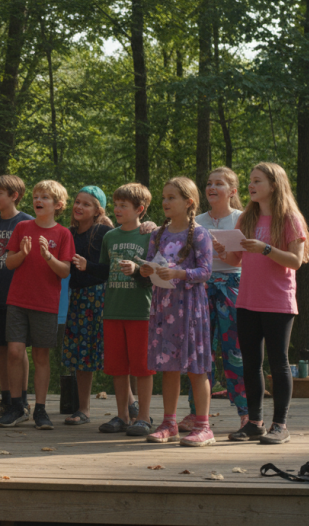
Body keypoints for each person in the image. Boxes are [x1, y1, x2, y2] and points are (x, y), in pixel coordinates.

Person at [221, 162, 309, 445]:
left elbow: (296, 261)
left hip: (278, 301)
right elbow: (235, 260)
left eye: (257, 180)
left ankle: (280, 425)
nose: (251, 185)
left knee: (279, 363)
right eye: (250, 180)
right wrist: (223, 249)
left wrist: (266, 249)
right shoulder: (247, 217)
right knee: (250, 363)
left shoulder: (289, 218)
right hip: (246, 300)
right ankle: (254, 423)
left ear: (273, 185)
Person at [139, 177, 215, 447]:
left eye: (172, 198)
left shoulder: (201, 234)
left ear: (188, 202)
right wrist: (146, 269)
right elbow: (150, 265)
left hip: (190, 308)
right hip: (163, 306)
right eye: (163, 197)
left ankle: (204, 427)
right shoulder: (158, 234)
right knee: (167, 366)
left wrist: (178, 273)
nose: (165, 202)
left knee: (196, 367)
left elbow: (206, 272)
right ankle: (169, 424)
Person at [0, 180, 74, 430]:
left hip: (46, 303)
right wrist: (23, 253)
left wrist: (48, 256)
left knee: (41, 355)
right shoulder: (22, 227)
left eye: (45, 197)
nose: (38, 200)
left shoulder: (63, 234)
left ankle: (41, 410)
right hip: (18, 300)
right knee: (15, 351)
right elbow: (9, 263)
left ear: (58, 205)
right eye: (36, 196)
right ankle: (17, 406)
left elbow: (64, 271)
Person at [80, 183, 155, 437]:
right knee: (117, 368)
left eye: (124, 205)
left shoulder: (149, 236)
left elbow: (155, 274)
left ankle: (143, 417)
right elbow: (103, 271)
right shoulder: (110, 236)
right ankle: (122, 416)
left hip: (140, 312)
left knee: (142, 368)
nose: (118, 209)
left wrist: (136, 271)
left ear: (140, 209)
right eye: (116, 204)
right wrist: (86, 265)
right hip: (112, 311)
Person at [180, 167, 248, 434]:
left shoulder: (242, 218)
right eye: (209, 183)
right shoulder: (196, 221)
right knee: (199, 351)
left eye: (219, 183)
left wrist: (225, 250)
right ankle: (197, 413)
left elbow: (244, 257)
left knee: (236, 352)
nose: (212, 187)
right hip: (201, 288)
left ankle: (246, 413)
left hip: (233, 286)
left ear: (232, 191)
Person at [61, 186, 114, 426]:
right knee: (80, 356)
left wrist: (88, 266)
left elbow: (116, 268)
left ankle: (131, 404)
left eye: (86, 204)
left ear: (97, 210)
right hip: (77, 299)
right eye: (77, 202)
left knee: (112, 352)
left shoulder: (105, 233)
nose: (79, 207)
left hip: (102, 299)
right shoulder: (68, 233)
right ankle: (83, 409)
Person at [0, 176, 33, 420]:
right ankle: (5, 400)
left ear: (14, 196)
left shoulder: (27, 222)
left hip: (19, 296)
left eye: (0, 193)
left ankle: (21, 400)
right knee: (0, 349)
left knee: (18, 349)